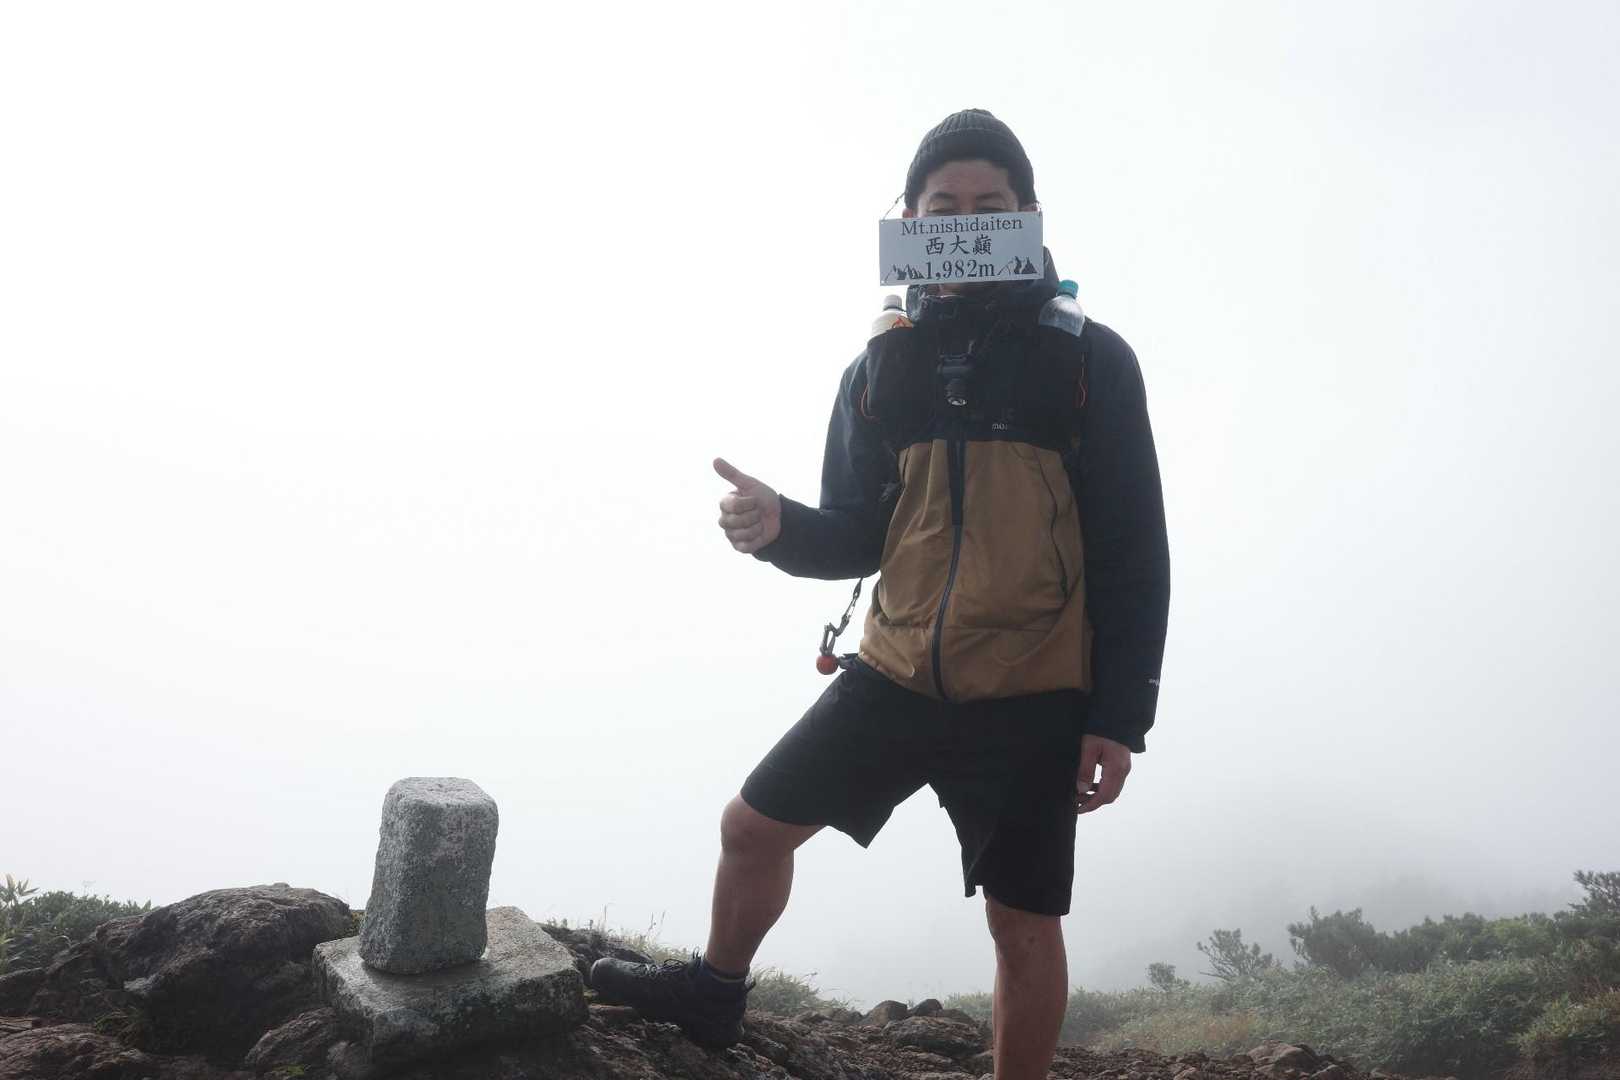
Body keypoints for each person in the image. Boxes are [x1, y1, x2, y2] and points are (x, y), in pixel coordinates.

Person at [590, 108, 1170, 1080]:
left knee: (1023, 923)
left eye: (989, 204)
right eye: (944, 207)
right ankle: (715, 995)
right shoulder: (880, 367)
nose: (965, 222)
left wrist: (1120, 717)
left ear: (1027, 215)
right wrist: (780, 527)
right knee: (750, 829)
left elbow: (1134, 548)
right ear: (910, 218)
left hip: (1032, 692)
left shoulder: (1088, 361)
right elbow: (860, 535)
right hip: (896, 670)